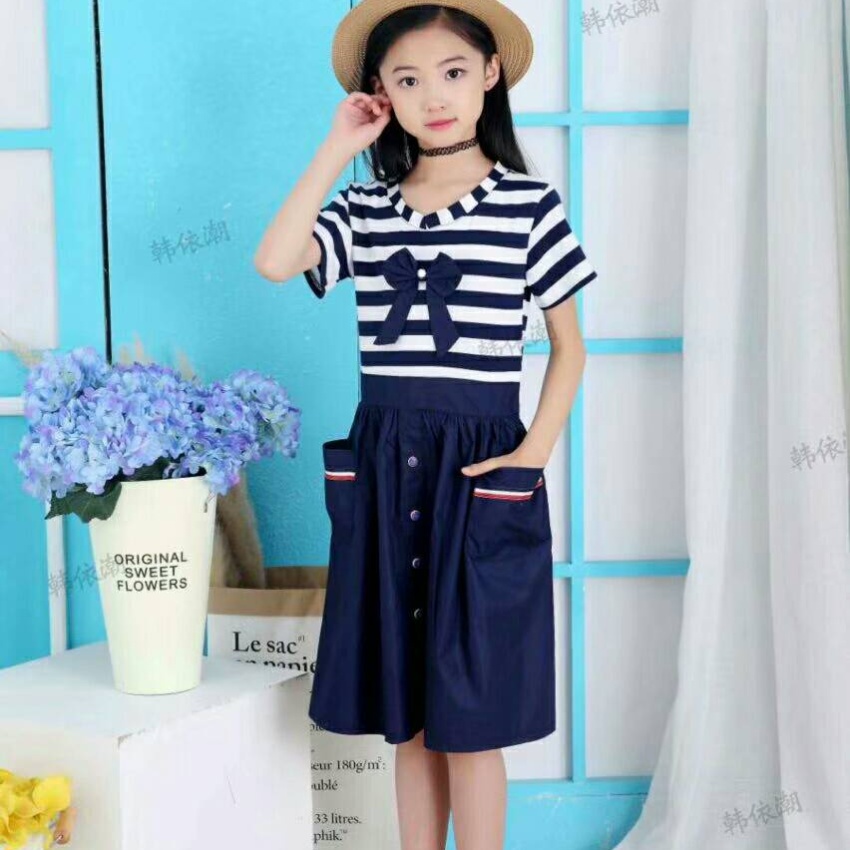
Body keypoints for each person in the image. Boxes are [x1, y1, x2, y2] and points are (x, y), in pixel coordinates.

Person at [254, 1, 598, 847]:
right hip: (386, 469)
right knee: (405, 718)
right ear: (381, 93)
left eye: (452, 72)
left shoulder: (527, 205)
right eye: (407, 80)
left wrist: (529, 457)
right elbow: (274, 260)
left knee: (470, 719)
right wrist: (337, 147)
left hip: (481, 473)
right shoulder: (367, 210)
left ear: (490, 74)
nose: (434, 96)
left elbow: (570, 349)